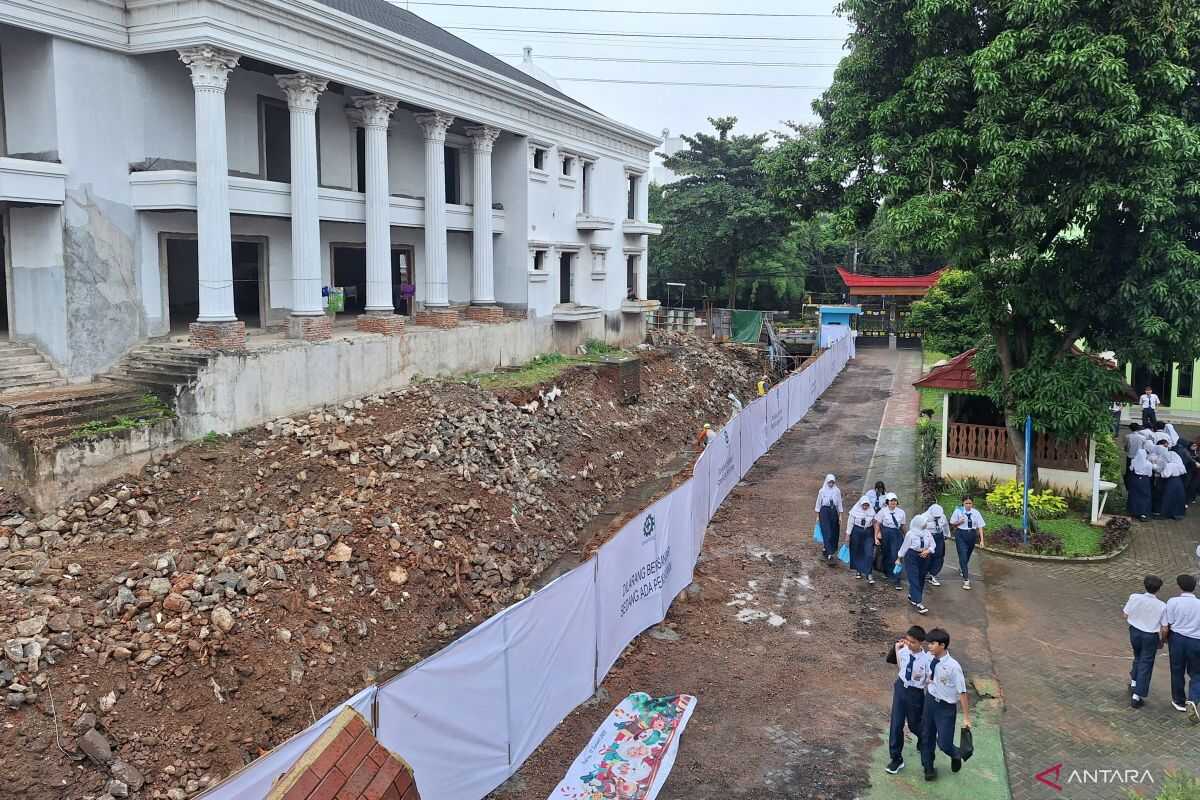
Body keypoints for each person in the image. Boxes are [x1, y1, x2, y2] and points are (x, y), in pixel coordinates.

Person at [919, 628, 971, 781]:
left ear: (942, 645)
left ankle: (955, 754)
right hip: (930, 701)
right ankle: (928, 767)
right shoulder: (929, 657)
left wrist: (966, 718)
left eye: (932, 644)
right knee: (926, 736)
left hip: (945, 708)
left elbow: (962, 692)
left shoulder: (954, 667)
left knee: (944, 743)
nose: (929, 646)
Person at [885, 625, 931, 774]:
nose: (909, 644)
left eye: (913, 642)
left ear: (921, 643)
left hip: (916, 693)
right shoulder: (903, 650)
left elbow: (928, 681)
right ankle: (896, 759)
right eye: (907, 640)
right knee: (896, 724)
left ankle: (924, 739)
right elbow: (901, 667)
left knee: (914, 724)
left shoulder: (926, 660)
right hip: (900, 688)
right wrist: (898, 649)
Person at [1161, 573, 1200, 722]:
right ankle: (1193, 699)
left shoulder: (1173, 602)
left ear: (1179, 586)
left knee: (1177, 670)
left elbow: (1167, 625)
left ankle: (1179, 701)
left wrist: (1163, 640)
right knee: (1197, 673)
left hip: (1177, 639)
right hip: (1196, 641)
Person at [1124, 575, 1166, 708]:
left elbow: (1125, 614)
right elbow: (1164, 627)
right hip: (1150, 636)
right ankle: (1137, 696)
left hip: (1135, 632)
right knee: (1146, 663)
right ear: (1158, 589)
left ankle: (1134, 682)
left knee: (1137, 656)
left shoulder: (1134, 597)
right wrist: (1162, 640)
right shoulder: (1162, 606)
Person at [897, 513, 936, 614]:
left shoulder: (927, 533)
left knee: (921, 578)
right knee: (914, 578)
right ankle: (919, 602)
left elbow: (933, 545)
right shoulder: (910, 534)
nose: (926, 525)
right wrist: (899, 558)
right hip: (912, 557)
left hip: (924, 557)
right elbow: (904, 547)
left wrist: (928, 551)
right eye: (924, 523)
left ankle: (912, 595)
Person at [948, 497, 985, 590]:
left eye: (970, 503)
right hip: (961, 534)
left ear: (972, 504)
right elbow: (952, 523)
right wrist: (959, 522)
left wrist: (982, 540)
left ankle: (962, 567)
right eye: (966, 503)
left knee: (967, 555)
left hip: (972, 535)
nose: (968, 505)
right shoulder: (958, 511)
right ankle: (966, 580)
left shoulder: (976, 513)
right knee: (963, 555)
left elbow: (980, 526)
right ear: (963, 504)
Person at [874, 493, 908, 591]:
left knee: (896, 555)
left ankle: (896, 579)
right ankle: (886, 571)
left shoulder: (901, 512)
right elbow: (877, 524)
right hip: (886, 533)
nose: (893, 503)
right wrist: (877, 535)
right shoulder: (883, 512)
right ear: (887, 502)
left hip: (896, 534)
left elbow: (902, 526)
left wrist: (907, 536)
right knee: (887, 554)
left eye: (894, 501)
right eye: (891, 501)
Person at [814, 474, 844, 565]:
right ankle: (829, 553)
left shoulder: (837, 491)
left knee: (833, 531)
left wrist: (840, 515)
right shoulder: (822, 491)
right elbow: (818, 504)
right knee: (827, 531)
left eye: (832, 482)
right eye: (829, 482)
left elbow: (839, 503)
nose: (831, 484)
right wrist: (818, 516)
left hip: (833, 511)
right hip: (824, 512)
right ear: (827, 482)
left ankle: (828, 547)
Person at [849, 496, 877, 584]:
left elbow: (875, 524)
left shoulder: (872, 512)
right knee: (858, 551)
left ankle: (869, 573)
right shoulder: (855, 511)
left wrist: (876, 536)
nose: (865, 507)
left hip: (868, 533)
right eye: (863, 505)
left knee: (869, 553)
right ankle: (859, 570)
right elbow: (850, 523)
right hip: (857, 532)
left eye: (867, 505)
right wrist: (848, 534)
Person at [925, 503, 948, 587]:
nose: (938, 518)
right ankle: (925, 571)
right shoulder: (924, 517)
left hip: (939, 536)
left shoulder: (943, 516)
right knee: (928, 555)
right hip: (929, 537)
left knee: (939, 555)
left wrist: (946, 535)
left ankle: (933, 574)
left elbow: (945, 526)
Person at [1160, 452, 1188, 520]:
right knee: (1178, 497)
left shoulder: (1170, 465)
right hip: (1178, 481)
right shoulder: (1179, 464)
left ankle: (1166, 514)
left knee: (1169, 497)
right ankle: (1178, 513)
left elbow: (1165, 475)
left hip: (1171, 481)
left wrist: (1161, 472)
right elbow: (1183, 472)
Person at [1128, 449, 1154, 520]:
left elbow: (1131, 469)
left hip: (1135, 479)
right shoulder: (1148, 463)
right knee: (1145, 496)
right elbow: (1150, 474)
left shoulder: (1133, 461)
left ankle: (1133, 511)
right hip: (1144, 480)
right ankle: (1143, 513)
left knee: (1134, 495)